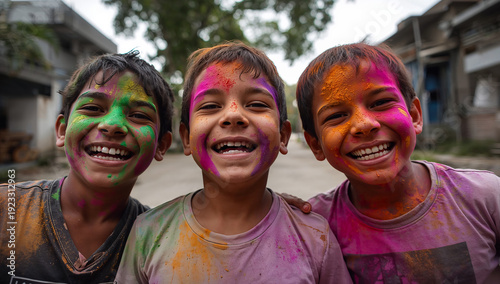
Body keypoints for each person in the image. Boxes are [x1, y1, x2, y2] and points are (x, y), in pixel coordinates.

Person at [115, 41, 352, 283]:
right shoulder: (148, 233)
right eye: (210, 106)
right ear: (186, 138)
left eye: (257, 104)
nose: (233, 115)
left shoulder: (315, 237)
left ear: (283, 135)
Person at [289, 42, 500, 283]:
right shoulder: (315, 225)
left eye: (380, 103)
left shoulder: (484, 196)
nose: (364, 124)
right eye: (336, 116)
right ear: (316, 144)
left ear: (414, 115)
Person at [0, 51, 174, 283]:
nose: (112, 125)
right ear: (62, 130)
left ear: (161, 144)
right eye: (93, 108)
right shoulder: (7, 210)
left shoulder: (161, 241)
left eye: (139, 115)